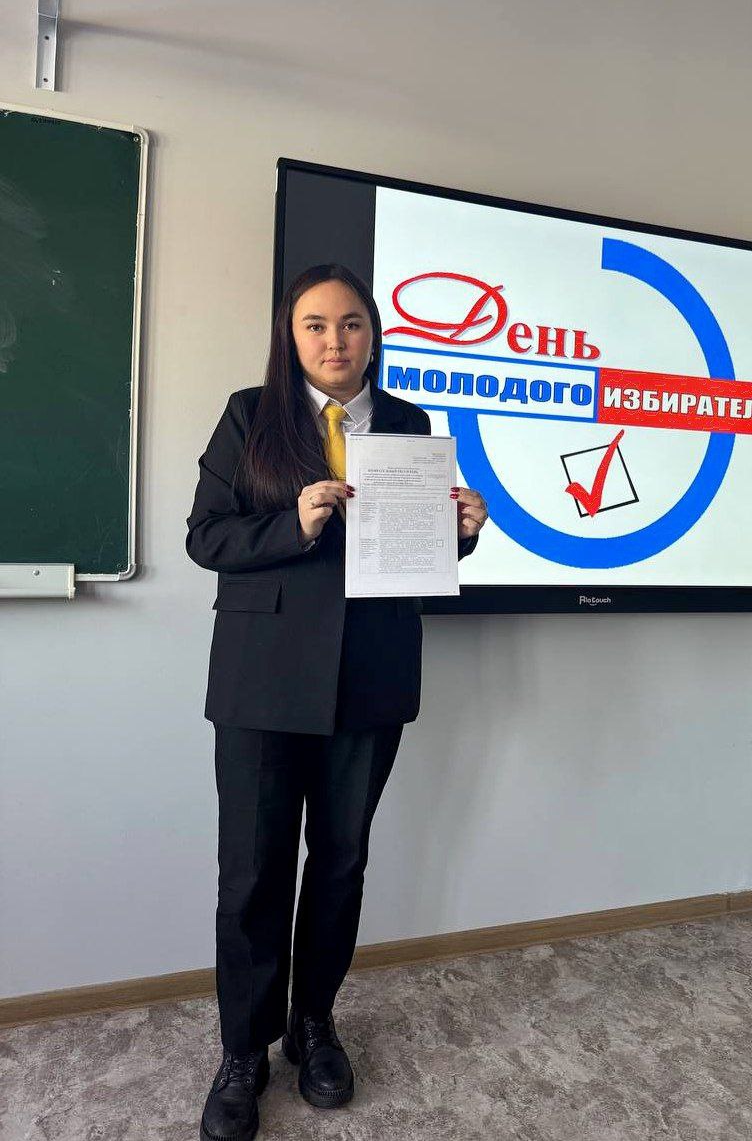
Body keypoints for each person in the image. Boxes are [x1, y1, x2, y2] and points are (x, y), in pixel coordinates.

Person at [185, 263, 488, 1141]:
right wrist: (296, 522)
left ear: (373, 334)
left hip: (371, 673)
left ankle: (312, 1024)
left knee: (341, 863)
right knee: (252, 873)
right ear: (291, 337)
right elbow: (207, 538)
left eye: (351, 323)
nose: (334, 341)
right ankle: (242, 1051)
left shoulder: (408, 423)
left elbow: (414, 552)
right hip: (262, 679)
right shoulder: (251, 414)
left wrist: (462, 534)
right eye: (315, 325)